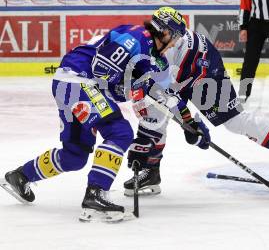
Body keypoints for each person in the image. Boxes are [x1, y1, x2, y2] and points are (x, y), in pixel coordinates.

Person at [1, 20, 191, 222]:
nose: (175, 43)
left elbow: (160, 90)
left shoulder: (150, 51)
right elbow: (102, 71)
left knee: (74, 155)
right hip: (78, 81)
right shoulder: (135, 39)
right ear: (165, 32)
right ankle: (96, 194)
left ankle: (21, 176)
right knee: (120, 132)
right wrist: (136, 85)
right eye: (176, 37)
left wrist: (191, 123)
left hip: (70, 84)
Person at [122, 7, 269, 196]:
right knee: (154, 114)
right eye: (174, 35)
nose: (176, 39)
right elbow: (161, 89)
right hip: (174, 75)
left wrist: (191, 125)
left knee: (234, 121)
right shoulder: (150, 42)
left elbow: (170, 95)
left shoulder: (177, 49)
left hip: (204, 69)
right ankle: (151, 172)